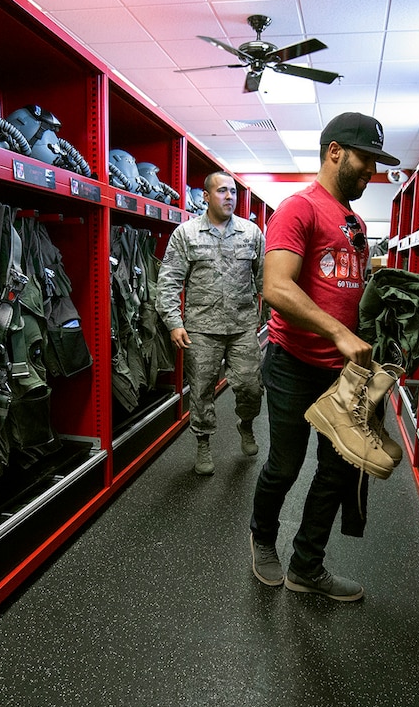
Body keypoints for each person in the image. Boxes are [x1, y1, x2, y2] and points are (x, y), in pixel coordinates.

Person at [249, 112, 400, 602]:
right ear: (335, 151)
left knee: (337, 470)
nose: (370, 171)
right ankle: (263, 538)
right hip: (293, 361)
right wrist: (337, 331)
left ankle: (306, 565)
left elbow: (348, 288)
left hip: (342, 373)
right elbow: (275, 287)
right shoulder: (298, 209)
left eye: (376, 163)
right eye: (365, 160)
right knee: (285, 465)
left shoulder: (354, 221)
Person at [157, 170, 266, 475]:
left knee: (250, 387)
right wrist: (173, 322)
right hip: (201, 328)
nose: (229, 197)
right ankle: (203, 443)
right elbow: (168, 281)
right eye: (221, 191)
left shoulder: (251, 233)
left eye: (232, 191)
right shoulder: (186, 234)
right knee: (202, 390)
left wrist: (269, 318)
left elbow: (265, 280)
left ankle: (246, 424)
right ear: (206, 197)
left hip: (242, 325)